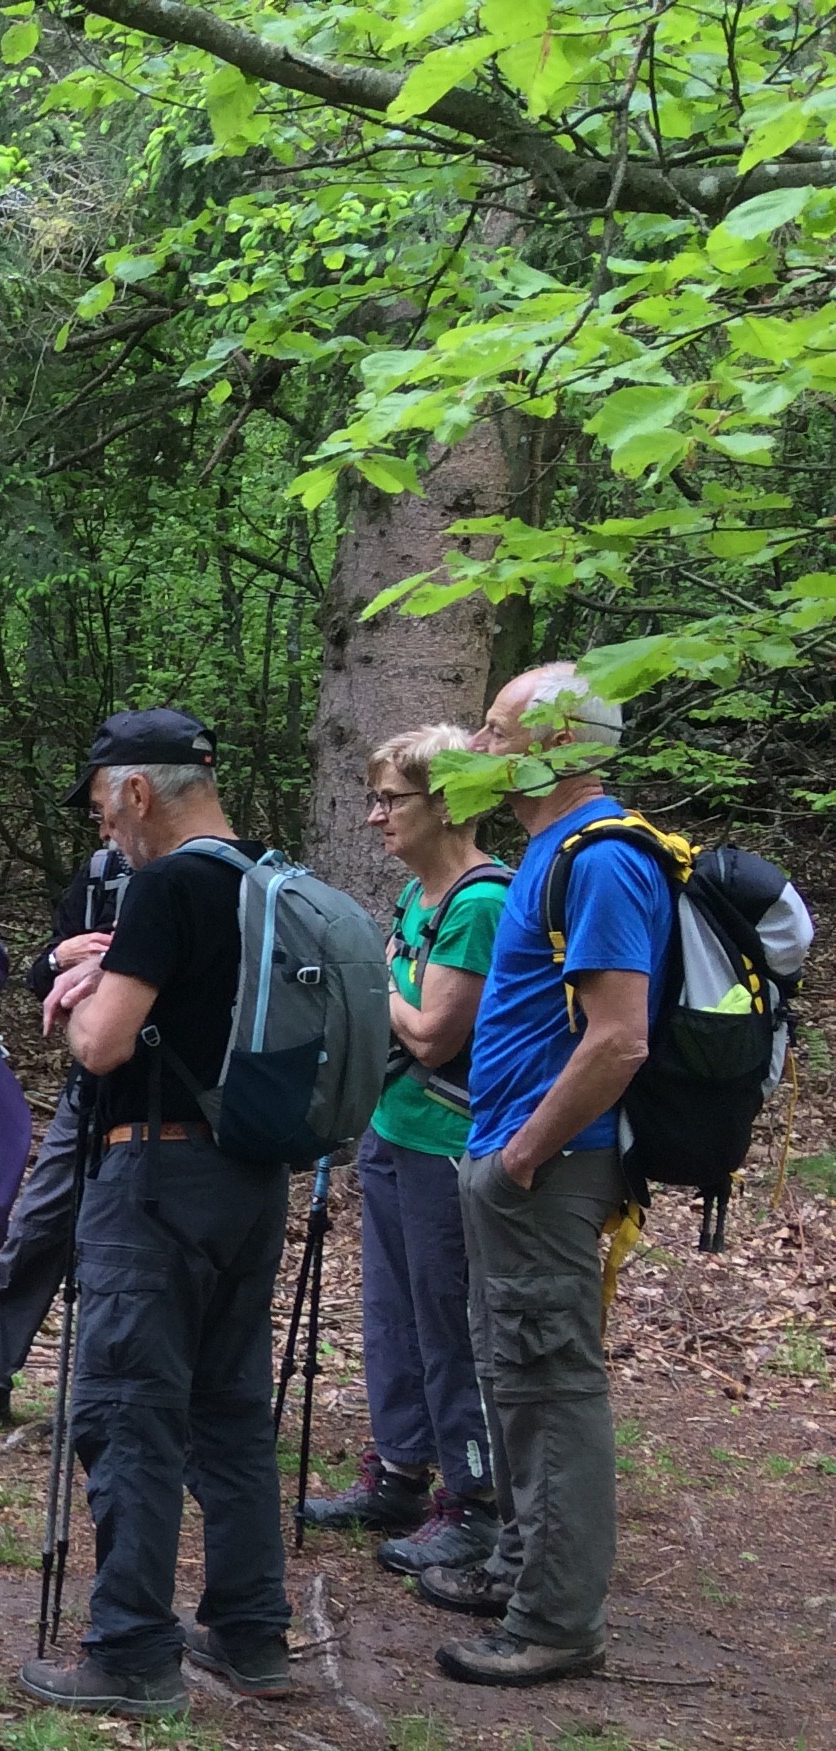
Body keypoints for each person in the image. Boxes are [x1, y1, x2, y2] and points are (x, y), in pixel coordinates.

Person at [20, 708, 294, 1718]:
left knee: (130, 1407)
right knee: (229, 1406)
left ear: (138, 791)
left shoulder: (168, 882)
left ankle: (132, 1647)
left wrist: (87, 988)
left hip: (154, 1179)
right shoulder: (262, 876)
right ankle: (252, 1630)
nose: (106, 832)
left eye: (104, 807)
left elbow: (99, 1046)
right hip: (248, 1176)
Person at [422, 665, 658, 1684]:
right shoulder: (548, 853)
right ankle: (520, 1568)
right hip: (512, 1158)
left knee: (551, 1383)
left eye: (494, 726)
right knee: (512, 1373)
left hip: (548, 1168)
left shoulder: (601, 858)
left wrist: (522, 1154)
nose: (477, 742)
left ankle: (556, 1620)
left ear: (554, 742)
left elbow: (620, 1039)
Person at [299, 724, 507, 1578]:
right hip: (393, 1130)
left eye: (393, 799)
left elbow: (429, 1033)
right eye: (375, 798)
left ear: (448, 801)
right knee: (389, 1311)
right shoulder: (417, 898)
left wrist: (372, 981)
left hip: (450, 1143)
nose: (376, 816)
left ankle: (473, 1502)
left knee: (448, 1321)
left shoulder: (481, 902)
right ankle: (398, 1470)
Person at [0, 837, 129, 1435]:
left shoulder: (203, 874)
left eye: (108, 809)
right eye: (97, 818)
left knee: (125, 1250)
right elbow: (40, 978)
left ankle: (110, 1399)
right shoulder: (100, 873)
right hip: (87, 1090)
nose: (106, 830)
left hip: (173, 1110)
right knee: (36, 1228)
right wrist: (61, 958)